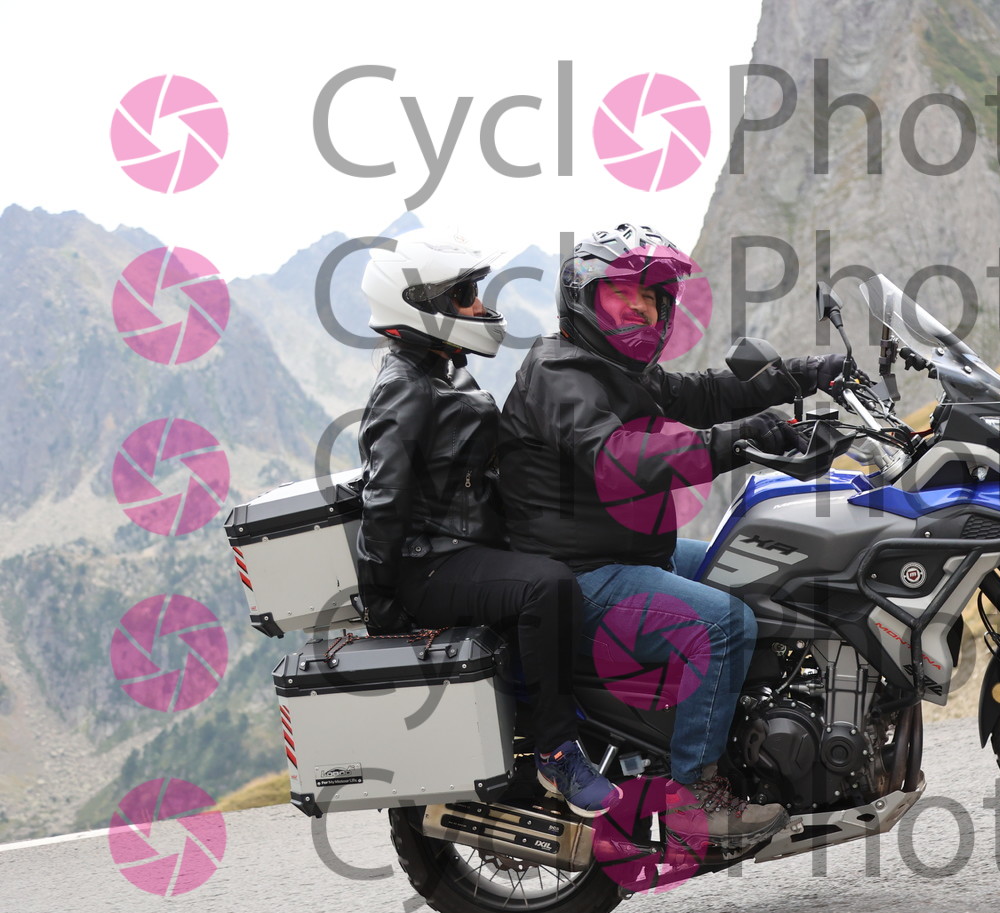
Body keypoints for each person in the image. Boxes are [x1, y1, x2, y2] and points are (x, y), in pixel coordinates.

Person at [497, 222, 848, 847]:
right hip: (584, 576)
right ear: (583, 298)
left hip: (632, 554)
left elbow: (705, 393)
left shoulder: (612, 367)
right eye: (621, 295)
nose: (639, 308)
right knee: (724, 624)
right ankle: (694, 799)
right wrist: (740, 440)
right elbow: (617, 459)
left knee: (758, 567)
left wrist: (806, 374)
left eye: (651, 298)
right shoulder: (560, 374)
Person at [354, 227, 621, 817]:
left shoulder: (444, 368)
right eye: (464, 295)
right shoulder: (405, 388)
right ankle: (556, 751)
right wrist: (382, 603)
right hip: (431, 565)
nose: (479, 306)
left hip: (467, 549)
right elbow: (384, 496)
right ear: (418, 306)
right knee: (546, 586)